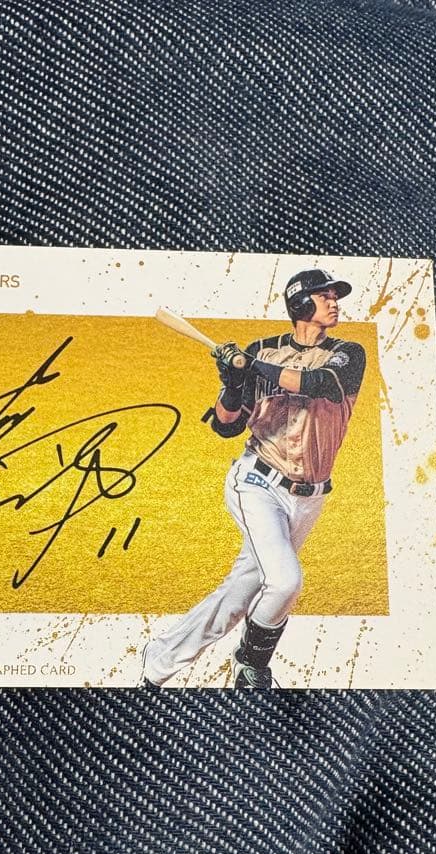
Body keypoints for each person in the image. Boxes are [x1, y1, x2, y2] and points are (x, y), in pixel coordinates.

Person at [142, 268, 366, 689]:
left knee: (240, 593)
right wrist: (232, 384)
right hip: (257, 481)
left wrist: (252, 367)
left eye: (336, 296)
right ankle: (251, 664)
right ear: (300, 303)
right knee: (284, 582)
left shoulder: (347, 353)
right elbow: (226, 425)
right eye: (324, 295)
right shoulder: (261, 350)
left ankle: (159, 661)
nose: (334, 302)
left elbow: (319, 384)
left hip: (309, 497)